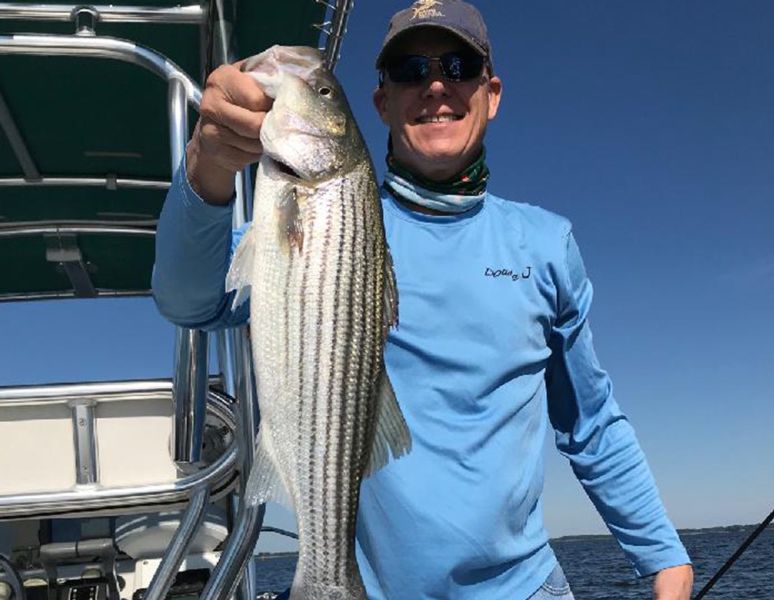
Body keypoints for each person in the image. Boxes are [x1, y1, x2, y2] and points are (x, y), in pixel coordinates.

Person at [152, 1, 694, 598]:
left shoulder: (546, 243)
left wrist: (665, 557)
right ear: (381, 102)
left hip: (525, 586)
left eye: (458, 66)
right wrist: (207, 168)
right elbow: (187, 301)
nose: (435, 85)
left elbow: (591, 423)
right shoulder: (327, 223)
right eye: (410, 70)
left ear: (491, 94)